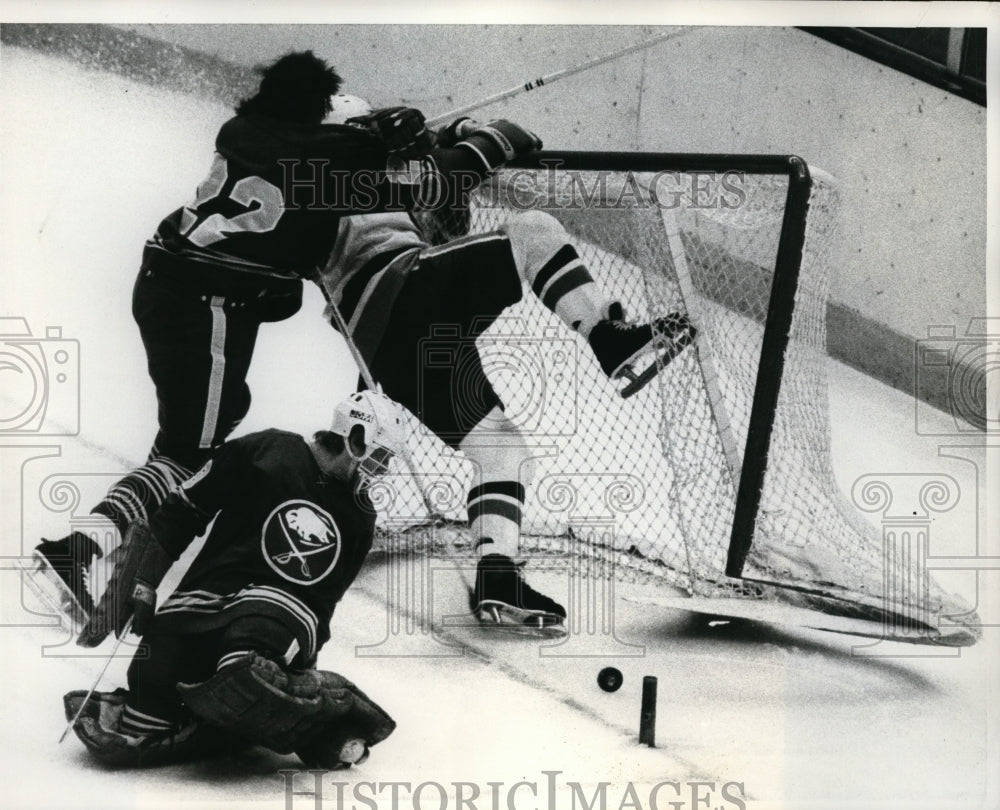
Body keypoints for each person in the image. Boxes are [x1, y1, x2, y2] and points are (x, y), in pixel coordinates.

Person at [28, 51, 542, 625]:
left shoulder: (246, 133)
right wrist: (466, 139)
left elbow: (333, 164)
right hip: (208, 304)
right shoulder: (326, 175)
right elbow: (414, 176)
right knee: (184, 452)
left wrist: (393, 136)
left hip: (167, 281)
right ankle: (74, 551)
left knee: (189, 439)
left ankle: (110, 539)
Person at [318, 96, 697, 634]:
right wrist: (477, 136)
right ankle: (608, 338)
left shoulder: (346, 175)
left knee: (503, 453)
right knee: (534, 231)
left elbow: (447, 220)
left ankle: (497, 574)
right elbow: (468, 161)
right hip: (403, 289)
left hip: (392, 343)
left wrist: (447, 147)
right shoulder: (342, 170)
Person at [64, 390, 406, 768]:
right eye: (381, 456)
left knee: (247, 664)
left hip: (274, 619)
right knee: (153, 668)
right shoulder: (268, 449)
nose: (383, 469)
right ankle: (291, 725)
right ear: (355, 437)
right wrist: (144, 581)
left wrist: (300, 667)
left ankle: (271, 701)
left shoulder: (360, 517)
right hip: (205, 600)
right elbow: (184, 509)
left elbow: (322, 606)